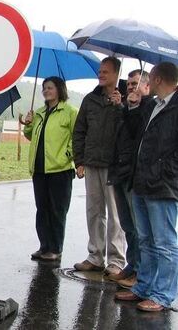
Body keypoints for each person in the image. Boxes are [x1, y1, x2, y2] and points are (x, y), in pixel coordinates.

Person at [114, 62, 178, 312]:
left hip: (163, 185)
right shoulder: (152, 105)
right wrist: (131, 106)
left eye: (149, 79)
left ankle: (162, 294)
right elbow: (134, 133)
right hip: (140, 181)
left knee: (164, 242)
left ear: (159, 79)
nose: (146, 84)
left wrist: (164, 170)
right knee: (145, 239)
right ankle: (144, 287)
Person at [72, 56, 126, 275]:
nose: (101, 74)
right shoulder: (89, 100)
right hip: (92, 162)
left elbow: (132, 129)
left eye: (105, 71)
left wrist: (121, 106)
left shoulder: (125, 100)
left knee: (115, 215)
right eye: (100, 71)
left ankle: (116, 260)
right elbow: (79, 131)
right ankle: (95, 256)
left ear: (116, 74)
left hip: (114, 166)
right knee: (94, 212)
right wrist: (80, 160)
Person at [23, 77, 78, 261]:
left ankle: (55, 248)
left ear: (59, 89)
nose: (46, 91)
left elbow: (76, 136)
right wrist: (29, 124)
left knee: (57, 210)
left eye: (50, 88)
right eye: (44, 88)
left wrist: (68, 155)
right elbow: (30, 136)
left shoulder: (69, 111)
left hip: (60, 170)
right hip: (39, 169)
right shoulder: (39, 112)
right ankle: (44, 245)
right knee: (42, 209)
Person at [106, 69, 150, 285]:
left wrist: (131, 107)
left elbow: (136, 134)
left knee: (137, 225)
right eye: (130, 84)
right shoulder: (126, 108)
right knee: (127, 225)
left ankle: (140, 271)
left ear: (147, 86)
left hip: (133, 174)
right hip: (118, 171)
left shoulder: (148, 108)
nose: (132, 87)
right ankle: (132, 264)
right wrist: (121, 108)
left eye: (136, 83)